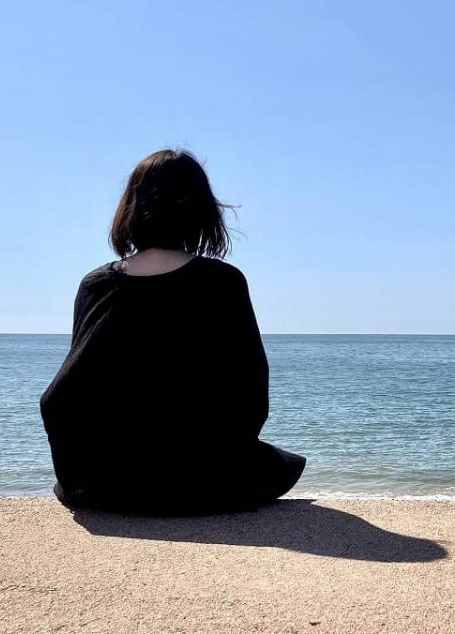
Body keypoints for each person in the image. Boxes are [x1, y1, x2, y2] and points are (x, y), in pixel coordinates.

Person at [39, 149, 306, 515]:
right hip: (205, 483)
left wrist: (82, 475)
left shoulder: (97, 286)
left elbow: (65, 397)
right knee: (280, 464)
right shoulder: (223, 284)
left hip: (108, 483)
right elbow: (250, 391)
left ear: (129, 209)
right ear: (201, 211)